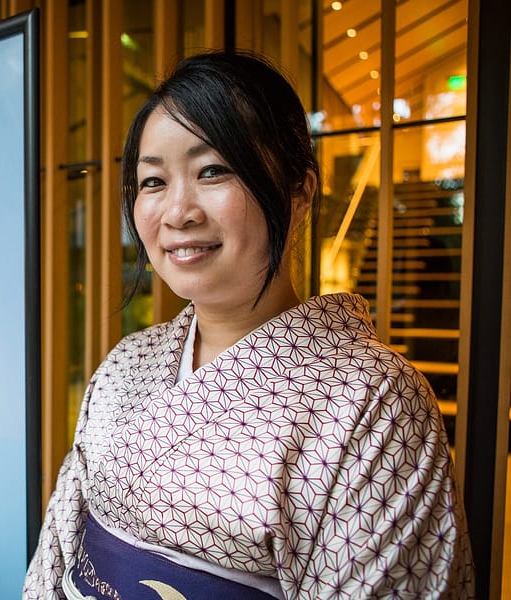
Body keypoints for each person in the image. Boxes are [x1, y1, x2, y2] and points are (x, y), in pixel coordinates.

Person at [23, 50, 474, 599]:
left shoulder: (375, 403)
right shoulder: (126, 361)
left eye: (213, 171)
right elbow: (56, 552)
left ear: (299, 191)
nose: (178, 212)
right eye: (153, 181)